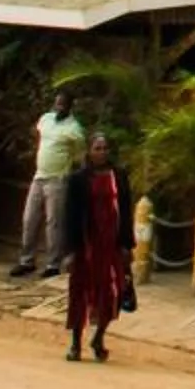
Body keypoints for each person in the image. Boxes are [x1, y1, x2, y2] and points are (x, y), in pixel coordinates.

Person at [61, 132, 133, 363]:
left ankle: (99, 337)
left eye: (105, 148)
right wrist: (71, 250)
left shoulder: (119, 176)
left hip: (111, 244)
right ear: (89, 151)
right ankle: (75, 344)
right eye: (97, 148)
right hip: (87, 245)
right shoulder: (78, 179)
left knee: (115, 292)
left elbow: (126, 211)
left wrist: (126, 244)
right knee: (81, 292)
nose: (101, 153)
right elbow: (70, 216)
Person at [13, 89, 85, 277]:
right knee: (29, 219)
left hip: (57, 178)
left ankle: (53, 264)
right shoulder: (45, 119)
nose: (59, 106)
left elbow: (79, 154)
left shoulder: (74, 129)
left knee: (54, 223)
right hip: (39, 176)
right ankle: (26, 260)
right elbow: (40, 138)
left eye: (63, 104)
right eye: (57, 103)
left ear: (70, 106)